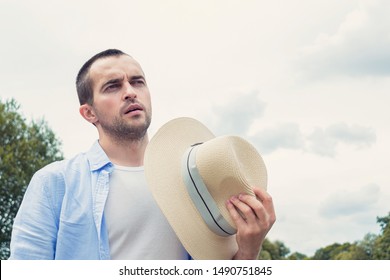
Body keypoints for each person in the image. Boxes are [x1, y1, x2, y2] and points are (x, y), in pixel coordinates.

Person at [9, 49, 276, 260]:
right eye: (112, 86)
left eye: (137, 82)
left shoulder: (195, 177)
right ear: (89, 113)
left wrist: (248, 251)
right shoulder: (55, 183)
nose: (130, 92)